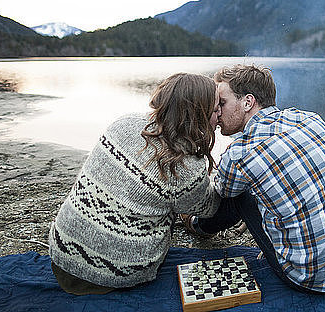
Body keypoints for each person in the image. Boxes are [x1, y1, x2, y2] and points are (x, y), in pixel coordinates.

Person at [183, 64, 325, 293]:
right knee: (258, 181)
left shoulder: (240, 154)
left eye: (222, 103)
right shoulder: (310, 119)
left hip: (312, 278)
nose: (217, 113)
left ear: (247, 102)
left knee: (237, 192)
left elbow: (219, 192)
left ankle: (195, 224)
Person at [48, 73, 221, 295]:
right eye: (216, 108)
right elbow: (210, 207)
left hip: (62, 255)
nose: (219, 115)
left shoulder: (123, 123)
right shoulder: (187, 166)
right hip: (115, 272)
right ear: (198, 114)